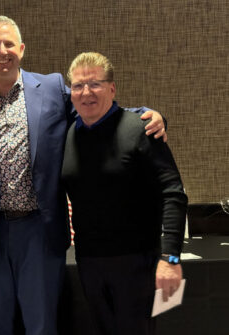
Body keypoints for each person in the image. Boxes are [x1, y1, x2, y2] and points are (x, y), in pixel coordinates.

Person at [0, 16, 167, 335]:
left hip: (38, 230)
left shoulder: (52, 88)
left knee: (42, 326)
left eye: (9, 43)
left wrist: (144, 116)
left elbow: (94, 108)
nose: (2, 51)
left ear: (21, 49)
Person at [61, 52, 187, 335]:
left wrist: (171, 259)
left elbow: (174, 194)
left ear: (112, 88)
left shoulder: (142, 129)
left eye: (95, 84)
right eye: (78, 86)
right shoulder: (70, 134)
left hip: (137, 264)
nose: (86, 92)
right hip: (89, 263)